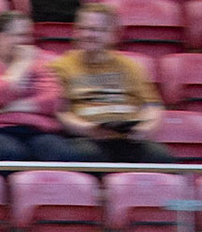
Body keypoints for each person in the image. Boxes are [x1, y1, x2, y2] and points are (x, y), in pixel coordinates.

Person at [0, 11, 88, 162]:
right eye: (16, 35)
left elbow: (52, 101)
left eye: (26, 36)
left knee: (65, 155)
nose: (23, 42)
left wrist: (3, 109)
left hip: (34, 132)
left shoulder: (39, 64)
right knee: (10, 153)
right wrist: (21, 64)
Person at [53, 2, 173, 163]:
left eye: (96, 30)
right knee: (87, 156)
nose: (88, 35)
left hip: (129, 139)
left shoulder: (130, 66)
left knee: (160, 157)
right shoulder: (61, 66)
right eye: (83, 28)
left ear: (112, 35)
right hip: (89, 139)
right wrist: (88, 129)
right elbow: (61, 112)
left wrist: (145, 128)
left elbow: (152, 107)